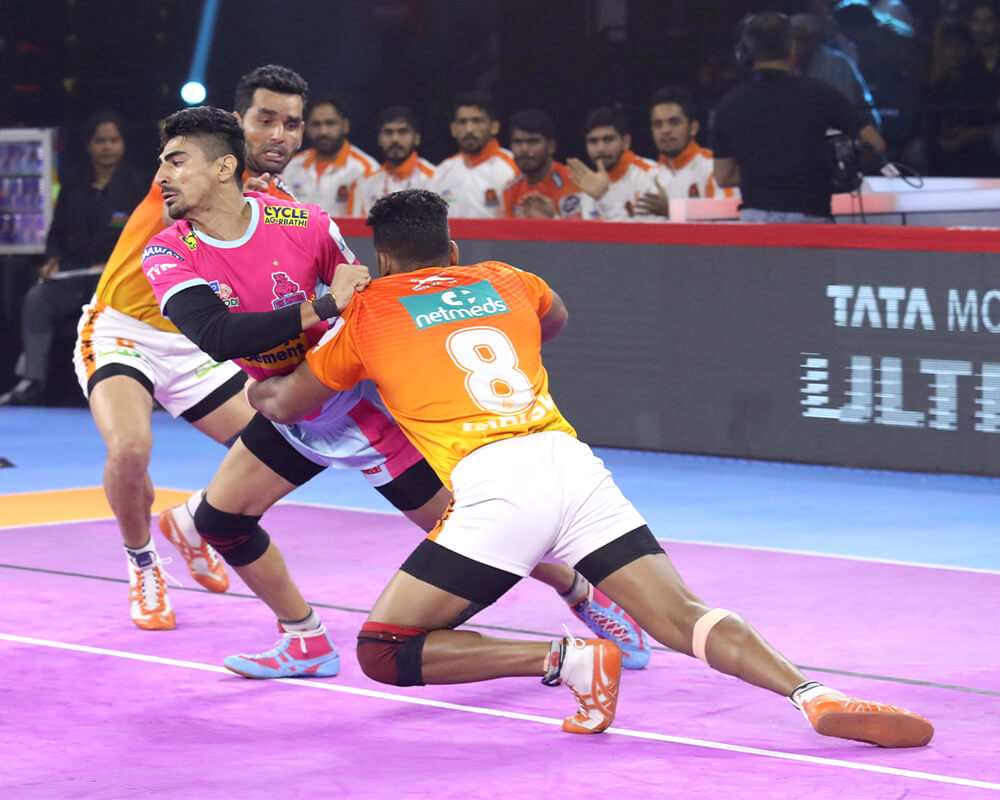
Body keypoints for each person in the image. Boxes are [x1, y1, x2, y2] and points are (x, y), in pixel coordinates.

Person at [245, 188, 934, 747]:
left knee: (383, 649)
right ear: (453, 250)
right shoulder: (509, 280)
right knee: (684, 616)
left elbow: (285, 404)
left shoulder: (368, 312)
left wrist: (255, 375)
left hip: (496, 490)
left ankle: (566, 659)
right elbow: (554, 322)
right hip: (571, 466)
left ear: (382, 259)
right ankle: (811, 693)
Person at [146, 107, 652, 679]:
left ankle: (581, 589)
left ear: (224, 168)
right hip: (293, 412)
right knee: (222, 521)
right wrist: (318, 312)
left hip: (362, 408)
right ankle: (305, 640)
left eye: (176, 161)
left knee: (484, 536)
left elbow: (369, 301)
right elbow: (217, 337)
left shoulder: (301, 222)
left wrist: (328, 361)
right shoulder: (167, 250)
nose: (161, 175)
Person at [71, 64, 310, 633]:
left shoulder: (281, 203)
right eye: (266, 120)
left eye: (292, 124)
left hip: (196, 346)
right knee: (131, 449)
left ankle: (189, 520)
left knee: (289, 445)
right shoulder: (185, 167)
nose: (279, 134)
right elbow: (187, 213)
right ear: (237, 122)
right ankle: (143, 564)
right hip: (123, 332)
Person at [0, 112, 146, 406]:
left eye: (113, 140)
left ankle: (119, 385)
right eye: (100, 141)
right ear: (88, 145)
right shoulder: (73, 183)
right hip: (74, 274)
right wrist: (53, 259)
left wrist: (115, 265)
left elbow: (146, 237)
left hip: (116, 278)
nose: (107, 147)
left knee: (115, 302)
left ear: (123, 144)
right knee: (37, 299)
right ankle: (33, 380)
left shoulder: (139, 185)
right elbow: (56, 233)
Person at [713, 12, 886, 222]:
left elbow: (723, 177)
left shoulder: (729, 104)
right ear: (792, 48)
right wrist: (830, 166)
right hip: (811, 219)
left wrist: (765, 170)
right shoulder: (822, 94)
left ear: (745, 54)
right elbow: (875, 143)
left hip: (755, 223)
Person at [636, 87, 736, 220]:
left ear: (693, 128)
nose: (665, 130)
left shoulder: (714, 165)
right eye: (658, 124)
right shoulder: (647, 175)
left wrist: (674, 210)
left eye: (674, 122)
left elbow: (731, 212)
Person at [282, 95, 378, 218]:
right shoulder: (291, 166)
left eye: (330, 123)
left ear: (345, 125)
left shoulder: (365, 169)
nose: (323, 132)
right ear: (305, 128)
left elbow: (366, 223)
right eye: (316, 124)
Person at [429, 91, 518, 218]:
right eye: (462, 122)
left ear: (494, 127)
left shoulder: (513, 168)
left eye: (477, 121)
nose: (469, 129)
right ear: (453, 129)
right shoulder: (443, 170)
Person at [567, 106, 661, 222]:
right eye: (593, 141)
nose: (600, 149)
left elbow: (643, 232)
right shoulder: (590, 182)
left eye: (608, 139)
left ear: (625, 142)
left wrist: (603, 197)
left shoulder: (651, 174)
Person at [354, 105, 435, 218]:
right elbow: (359, 226)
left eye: (403, 132)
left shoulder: (433, 178)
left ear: (416, 138)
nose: (395, 139)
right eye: (388, 132)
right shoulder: (367, 182)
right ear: (379, 139)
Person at [502, 109, 581, 219]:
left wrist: (552, 219)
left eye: (533, 142)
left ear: (551, 147)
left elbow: (578, 229)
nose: (524, 149)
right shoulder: (511, 188)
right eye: (518, 142)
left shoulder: (569, 182)